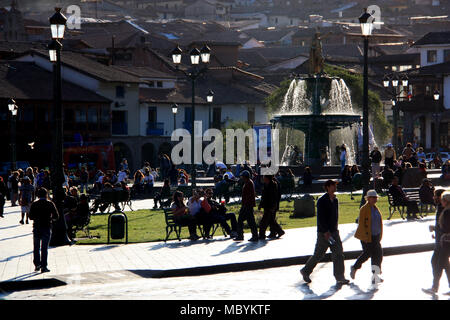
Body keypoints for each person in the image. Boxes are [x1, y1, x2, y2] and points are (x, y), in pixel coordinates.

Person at [300, 180, 350, 285]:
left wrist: (334, 230)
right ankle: (305, 271)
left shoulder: (335, 200)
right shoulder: (322, 200)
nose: (335, 187)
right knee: (318, 254)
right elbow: (321, 218)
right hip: (324, 233)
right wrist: (325, 231)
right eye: (333, 185)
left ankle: (339, 276)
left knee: (339, 254)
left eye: (335, 185)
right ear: (327, 187)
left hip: (334, 232)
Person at [350, 190, 384, 284]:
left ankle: (375, 276)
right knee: (367, 254)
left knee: (377, 256)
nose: (375, 199)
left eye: (375, 197)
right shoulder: (364, 209)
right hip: (367, 237)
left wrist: (380, 234)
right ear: (368, 198)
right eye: (373, 197)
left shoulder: (375, 208)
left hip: (376, 236)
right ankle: (355, 267)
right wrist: (365, 237)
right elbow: (362, 224)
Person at [423, 191, 450, 295]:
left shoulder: (446, 211)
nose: (434, 197)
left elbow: (446, 227)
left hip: (445, 242)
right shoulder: (445, 209)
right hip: (443, 241)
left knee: (438, 264)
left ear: (445, 201)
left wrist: (439, 232)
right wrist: (436, 230)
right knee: (444, 265)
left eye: (442, 199)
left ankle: (434, 287)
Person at [28, 188, 59, 273]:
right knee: (44, 248)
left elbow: (30, 217)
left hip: (37, 227)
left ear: (38, 195)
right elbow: (56, 216)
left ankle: (37, 264)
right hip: (46, 226)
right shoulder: (50, 203)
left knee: (36, 247)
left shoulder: (34, 204)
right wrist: (51, 219)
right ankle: (44, 266)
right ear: (46, 194)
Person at [234, 170, 258, 242]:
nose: (241, 178)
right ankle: (241, 235)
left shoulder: (249, 183)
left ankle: (253, 236)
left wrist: (244, 205)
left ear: (245, 177)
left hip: (247, 205)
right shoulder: (247, 182)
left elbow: (249, 195)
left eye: (242, 176)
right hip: (246, 205)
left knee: (249, 221)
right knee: (244, 220)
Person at [258, 175, 285, 240]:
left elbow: (274, 197)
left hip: (270, 206)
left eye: (264, 177)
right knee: (271, 221)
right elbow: (263, 196)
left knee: (264, 221)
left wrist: (273, 206)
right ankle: (280, 231)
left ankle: (262, 235)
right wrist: (261, 205)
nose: (263, 178)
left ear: (267, 178)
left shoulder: (273, 185)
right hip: (266, 205)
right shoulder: (265, 184)